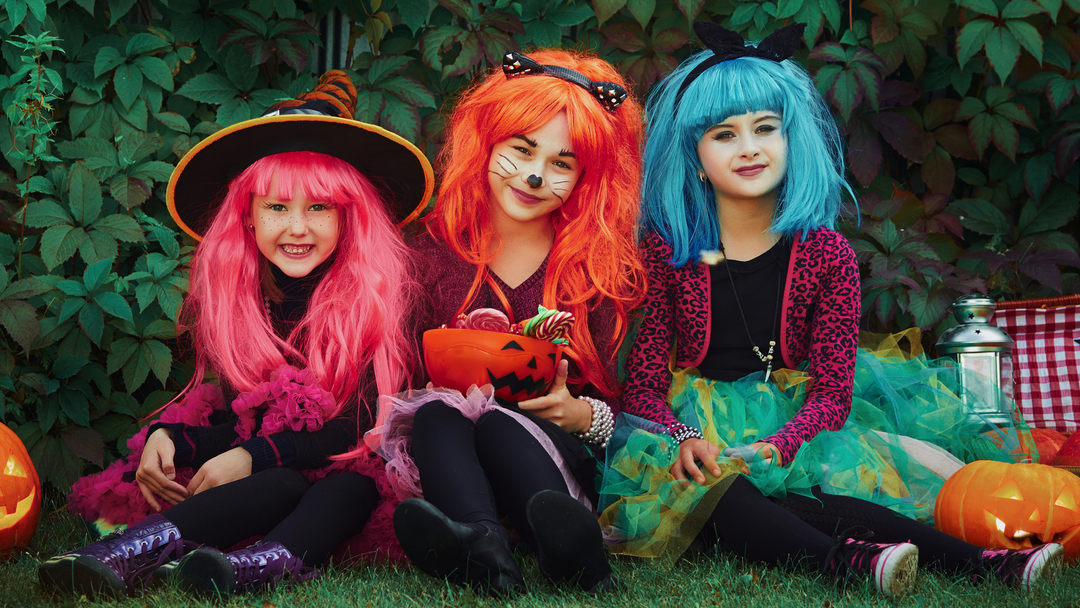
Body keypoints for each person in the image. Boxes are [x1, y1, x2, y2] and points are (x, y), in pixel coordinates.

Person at [599, 22, 1061, 596]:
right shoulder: (670, 250)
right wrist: (686, 436)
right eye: (723, 134)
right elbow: (641, 388)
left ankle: (988, 561)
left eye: (766, 128)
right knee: (709, 488)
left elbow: (833, 393)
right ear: (694, 157)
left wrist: (782, 443)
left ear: (793, 139)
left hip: (798, 420)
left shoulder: (827, 254)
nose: (749, 147)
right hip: (692, 425)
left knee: (815, 491)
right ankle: (847, 560)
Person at [39, 72, 435, 598]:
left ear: (350, 218)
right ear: (247, 218)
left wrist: (253, 455)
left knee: (346, 488)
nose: (298, 227)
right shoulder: (243, 303)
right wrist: (173, 436)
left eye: (319, 208)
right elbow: (240, 424)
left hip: (353, 465)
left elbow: (356, 427)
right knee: (279, 481)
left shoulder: (380, 299)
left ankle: (256, 565)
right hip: (279, 474)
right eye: (278, 207)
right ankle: (127, 551)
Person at [373, 49, 646, 595]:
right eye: (521, 149)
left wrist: (580, 413)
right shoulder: (431, 256)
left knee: (499, 422)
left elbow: (630, 406)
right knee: (434, 415)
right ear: (486, 143)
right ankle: (481, 546)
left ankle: (573, 552)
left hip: (554, 471)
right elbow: (395, 371)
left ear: (588, 178)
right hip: (457, 469)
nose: (535, 174)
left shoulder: (593, 273)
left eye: (562, 163)